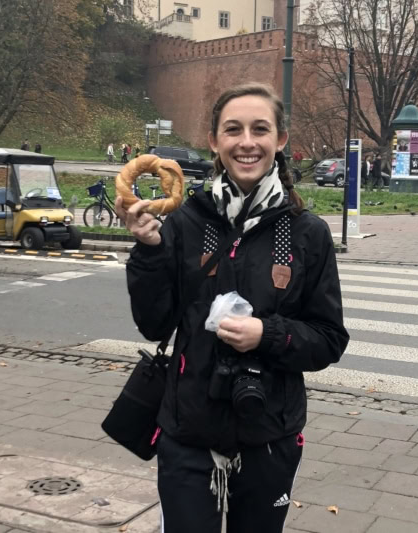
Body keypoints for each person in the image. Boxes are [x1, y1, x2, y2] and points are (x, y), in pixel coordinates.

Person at [115, 82, 348, 533]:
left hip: (270, 432)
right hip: (188, 430)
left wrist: (268, 334)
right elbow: (153, 324)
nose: (246, 142)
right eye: (233, 129)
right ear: (214, 141)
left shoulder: (307, 233)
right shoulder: (183, 222)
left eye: (260, 129)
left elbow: (329, 339)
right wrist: (147, 250)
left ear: (280, 140)